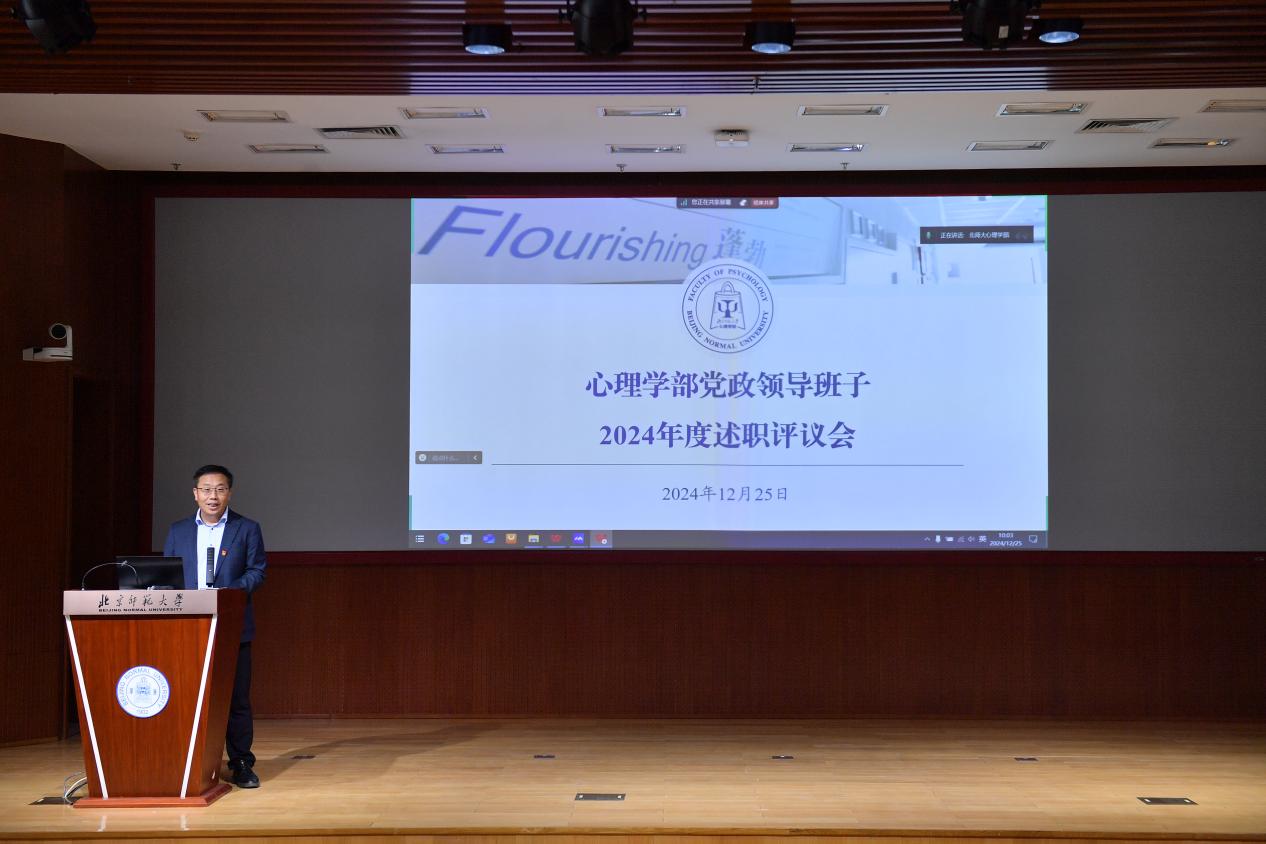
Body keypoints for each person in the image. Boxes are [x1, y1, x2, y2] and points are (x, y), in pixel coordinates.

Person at [163, 464, 267, 788]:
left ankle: (241, 763)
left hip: (232, 626)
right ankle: (186, 761)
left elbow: (257, 571)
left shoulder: (246, 528)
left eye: (220, 489)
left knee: (236, 699)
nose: (213, 496)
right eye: (206, 490)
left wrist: (229, 594)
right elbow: (167, 576)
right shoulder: (178, 531)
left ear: (229, 493)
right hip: (188, 628)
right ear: (195, 494)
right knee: (187, 696)